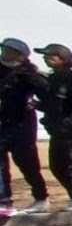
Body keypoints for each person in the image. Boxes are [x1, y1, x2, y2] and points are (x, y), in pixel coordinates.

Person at [36, 43, 72, 210]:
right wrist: (38, 105)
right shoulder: (52, 80)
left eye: (50, 56)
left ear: (63, 58)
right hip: (56, 132)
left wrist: (69, 125)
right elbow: (53, 105)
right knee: (57, 166)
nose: (46, 59)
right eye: (45, 56)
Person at [0, 38, 50, 216]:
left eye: (9, 51)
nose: (4, 53)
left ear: (20, 56)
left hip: (22, 125)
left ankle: (41, 197)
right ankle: (4, 201)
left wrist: (37, 104)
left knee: (27, 164)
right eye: (3, 49)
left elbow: (48, 94)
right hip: (2, 123)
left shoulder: (28, 73)